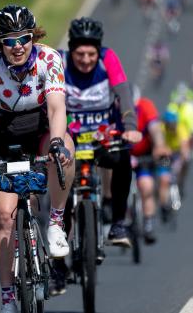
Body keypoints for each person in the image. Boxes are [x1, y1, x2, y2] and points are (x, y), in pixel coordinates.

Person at [0, 5, 75, 313]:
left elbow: (56, 107)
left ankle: (55, 223)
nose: (17, 46)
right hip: (2, 136)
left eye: (23, 38)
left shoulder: (49, 58)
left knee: (65, 146)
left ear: (32, 37)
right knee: (4, 217)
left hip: (39, 128)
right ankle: (8, 296)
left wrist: (55, 142)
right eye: (8, 41)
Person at [50, 17, 142, 296]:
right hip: (72, 137)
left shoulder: (108, 59)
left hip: (104, 134)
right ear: (71, 50)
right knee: (61, 197)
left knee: (123, 159)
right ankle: (58, 264)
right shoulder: (60, 62)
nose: (87, 60)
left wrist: (130, 127)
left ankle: (117, 223)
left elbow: (123, 93)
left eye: (91, 54)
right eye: (80, 54)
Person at [129, 86, 170, 244]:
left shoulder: (145, 106)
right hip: (123, 154)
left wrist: (159, 145)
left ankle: (148, 224)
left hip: (143, 156)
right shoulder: (114, 108)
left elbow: (155, 128)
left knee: (146, 187)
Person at [158, 105, 193, 222]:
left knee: (186, 160)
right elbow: (158, 144)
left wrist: (179, 164)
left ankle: (181, 181)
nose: (171, 127)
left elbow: (185, 149)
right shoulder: (162, 129)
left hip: (178, 154)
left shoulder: (181, 129)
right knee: (164, 178)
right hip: (166, 155)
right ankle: (163, 206)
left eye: (173, 124)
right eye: (169, 124)